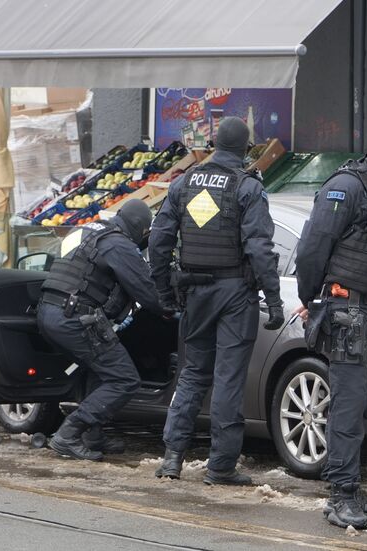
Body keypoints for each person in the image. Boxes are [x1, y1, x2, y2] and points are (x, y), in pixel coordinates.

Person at [293, 117, 367, 530]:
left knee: (360, 406)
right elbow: (313, 247)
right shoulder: (347, 187)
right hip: (347, 311)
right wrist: (309, 298)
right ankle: (340, 495)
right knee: (345, 407)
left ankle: (353, 486)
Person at [149, 117, 283, 486]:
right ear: (246, 148)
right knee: (227, 379)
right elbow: (260, 248)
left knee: (192, 373)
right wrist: (273, 300)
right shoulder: (247, 187)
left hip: (195, 293)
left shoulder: (185, 182)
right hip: (235, 294)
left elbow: (158, 239)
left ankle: (171, 458)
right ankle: (221, 466)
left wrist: (164, 290)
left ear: (214, 144)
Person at [37, 200, 170, 460]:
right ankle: (69, 434)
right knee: (124, 379)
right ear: (139, 229)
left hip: (49, 311)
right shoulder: (119, 244)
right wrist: (172, 305)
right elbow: (149, 295)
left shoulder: (84, 230)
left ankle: (92, 435)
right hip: (76, 318)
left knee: (100, 369)